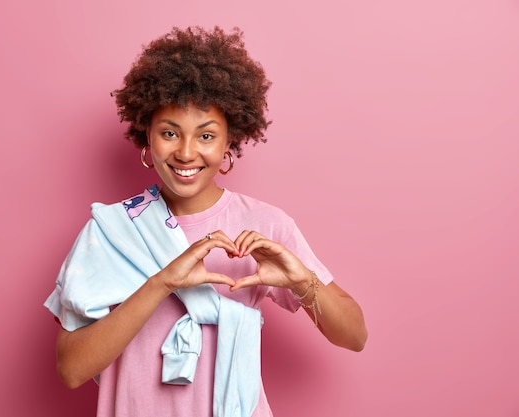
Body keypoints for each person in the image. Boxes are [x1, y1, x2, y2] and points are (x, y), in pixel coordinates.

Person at [44, 26, 367, 417]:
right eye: (169, 133)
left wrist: (301, 282)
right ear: (147, 134)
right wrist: (162, 283)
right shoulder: (111, 231)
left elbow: (354, 336)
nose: (185, 152)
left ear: (230, 140)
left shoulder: (264, 224)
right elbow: (72, 369)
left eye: (206, 136)